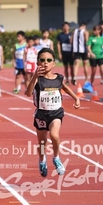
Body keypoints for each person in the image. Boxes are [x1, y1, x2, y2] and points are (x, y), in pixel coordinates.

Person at [25, 47, 80, 178]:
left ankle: (56, 157)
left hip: (56, 113)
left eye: (49, 60)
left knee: (54, 135)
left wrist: (76, 98)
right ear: (38, 63)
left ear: (54, 63)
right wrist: (34, 76)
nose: (45, 62)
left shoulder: (59, 78)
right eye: (42, 60)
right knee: (42, 142)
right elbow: (27, 93)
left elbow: (65, 88)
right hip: (41, 114)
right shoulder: (38, 79)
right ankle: (42, 159)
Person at [87, 25, 103, 92]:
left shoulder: (102, 38)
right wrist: (91, 53)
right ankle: (91, 84)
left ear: (99, 31)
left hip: (101, 56)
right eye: (94, 30)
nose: (94, 31)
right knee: (93, 72)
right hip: (93, 57)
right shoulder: (91, 38)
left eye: (96, 30)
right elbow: (88, 47)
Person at [71, 21, 90, 85]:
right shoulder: (85, 32)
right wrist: (88, 51)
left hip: (76, 50)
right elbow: (87, 41)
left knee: (76, 64)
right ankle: (86, 79)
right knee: (85, 65)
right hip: (84, 50)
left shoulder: (74, 31)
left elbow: (71, 41)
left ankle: (75, 77)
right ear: (84, 26)